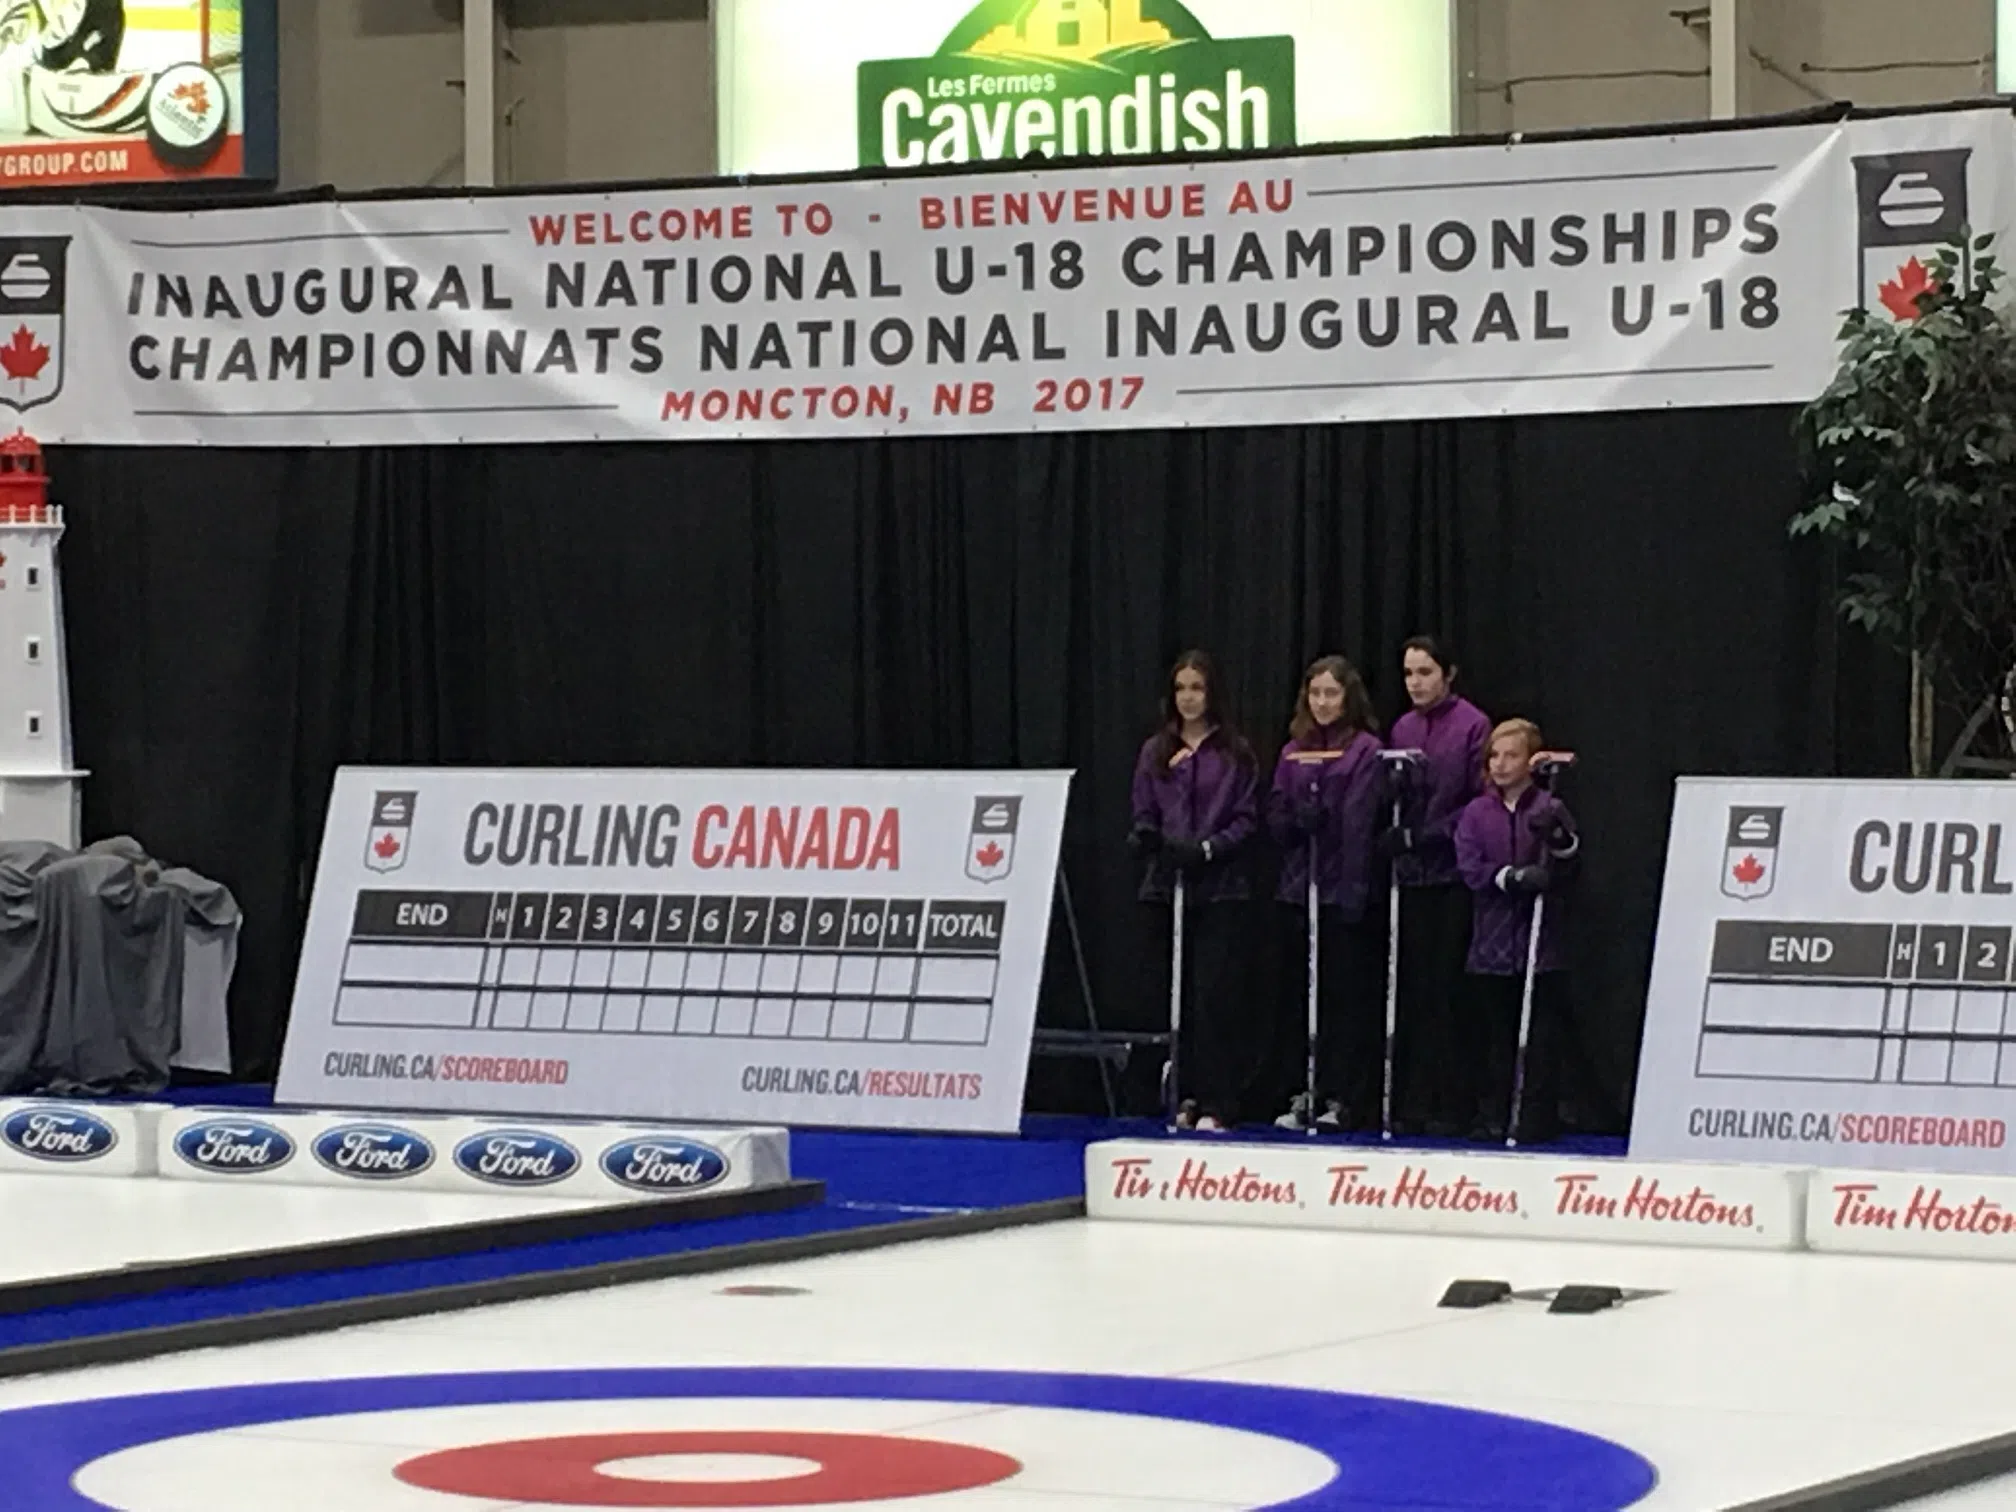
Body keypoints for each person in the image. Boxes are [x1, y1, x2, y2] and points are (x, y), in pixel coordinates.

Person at [1128, 650, 1258, 1131]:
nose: (1188, 698)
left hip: (1220, 887)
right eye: (1181, 688)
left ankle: (1219, 1101)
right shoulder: (1156, 751)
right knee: (1177, 997)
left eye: (1197, 688)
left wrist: (1206, 849)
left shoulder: (1235, 753)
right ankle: (1184, 1093)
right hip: (1167, 887)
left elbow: (1247, 819)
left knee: (1213, 998)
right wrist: (1150, 840)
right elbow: (1143, 809)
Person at [1266, 656, 1387, 1132]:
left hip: (1343, 890)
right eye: (1315, 694)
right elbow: (1276, 806)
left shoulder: (1365, 750)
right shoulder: (1294, 750)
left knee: (1346, 999)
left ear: (1348, 697)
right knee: (1303, 996)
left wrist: (1352, 889)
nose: (1322, 703)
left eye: (1331, 694)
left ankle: (1345, 1095)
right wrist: (1295, 822)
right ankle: (1308, 1088)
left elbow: (1358, 821)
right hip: (1299, 889)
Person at [1383, 636, 1492, 1136]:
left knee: (1450, 990)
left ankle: (1456, 1103)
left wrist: (1426, 835)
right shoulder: (1403, 726)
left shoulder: (1473, 725)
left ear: (1447, 674)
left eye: (1425, 672)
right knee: (1414, 990)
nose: (1416, 683)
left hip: (1451, 871)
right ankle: (1415, 1099)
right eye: (1408, 674)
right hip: (1410, 877)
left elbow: (1477, 801)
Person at [1453, 719, 1579, 1144]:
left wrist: (1557, 842)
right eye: (1495, 755)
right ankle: (1491, 1114)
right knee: (1494, 1039)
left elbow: (1571, 861)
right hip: (1490, 945)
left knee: (1539, 1039)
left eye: (1511, 755)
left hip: (1537, 946)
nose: (1502, 764)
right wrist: (1510, 877)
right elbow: (1470, 867)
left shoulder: (1547, 806)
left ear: (1530, 761)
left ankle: (1534, 1115)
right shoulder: (1476, 812)